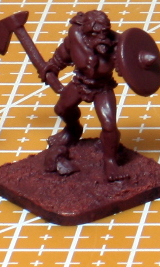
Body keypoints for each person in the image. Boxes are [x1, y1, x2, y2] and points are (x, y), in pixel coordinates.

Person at [39, 10, 128, 180]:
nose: (101, 37)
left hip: (103, 87)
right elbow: (63, 55)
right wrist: (52, 68)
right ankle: (73, 130)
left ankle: (110, 162)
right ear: (87, 31)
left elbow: (126, 63)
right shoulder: (76, 39)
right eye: (96, 33)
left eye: (104, 32)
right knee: (62, 109)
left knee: (109, 125)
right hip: (80, 83)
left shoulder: (116, 43)